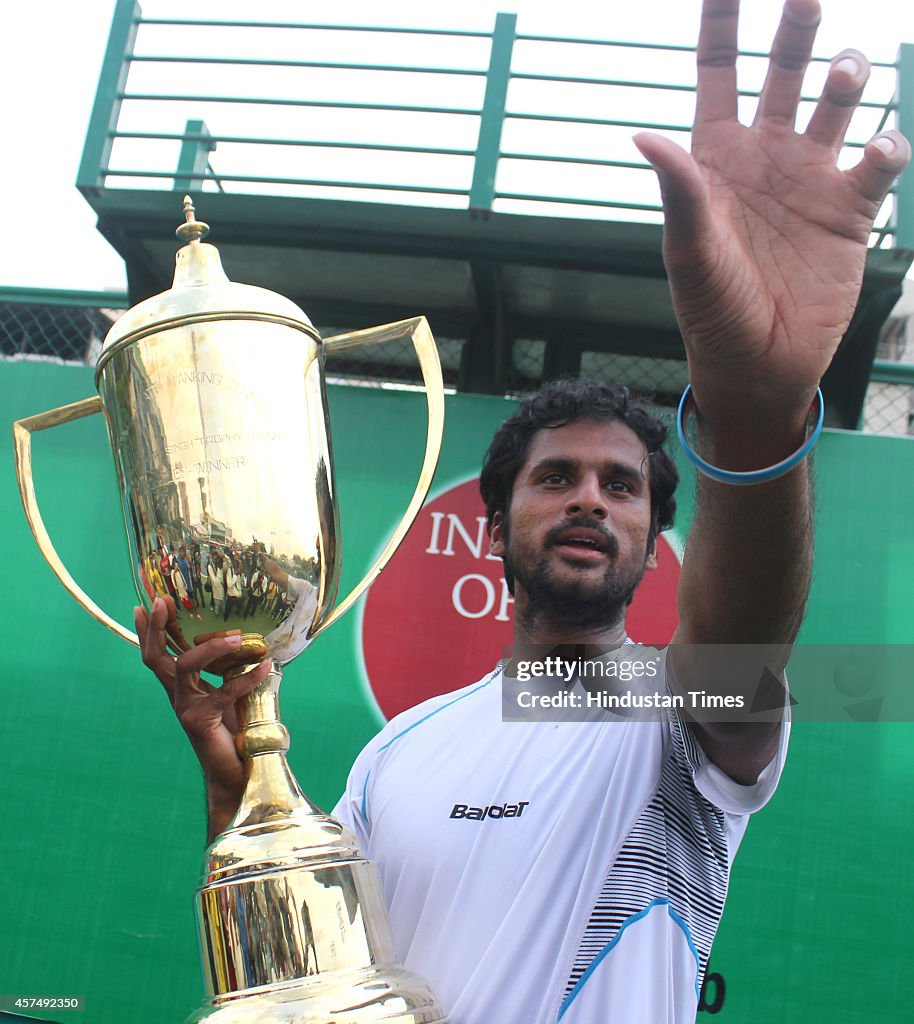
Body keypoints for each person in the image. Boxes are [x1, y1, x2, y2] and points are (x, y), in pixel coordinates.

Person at [135, 1, 910, 1021]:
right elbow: (316, 979)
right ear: (490, 529)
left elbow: (742, 637)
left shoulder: (682, 714)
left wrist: (757, 416)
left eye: (621, 485)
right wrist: (231, 773)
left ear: (648, 540)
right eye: (555, 477)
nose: (589, 496)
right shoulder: (396, 752)